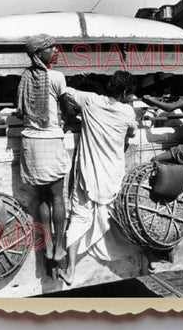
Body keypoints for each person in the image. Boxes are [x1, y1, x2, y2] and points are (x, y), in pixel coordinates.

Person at [59, 71, 137, 285]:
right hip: (112, 178)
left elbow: (63, 92)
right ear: (124, 92)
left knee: (79, 218)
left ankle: (71, 269)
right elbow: (131, 134)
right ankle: (138, 257)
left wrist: (72, 117)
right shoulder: (128, 112)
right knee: (120, 217)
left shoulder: (90, 100)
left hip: (88, 177)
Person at [17, 33, 72, 262]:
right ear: (40, 53)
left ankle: (47, 245)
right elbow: (67, 109)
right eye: (52, 48)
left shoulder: (24, 78)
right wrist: (70, 120)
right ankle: (59, 247)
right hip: (50, 139)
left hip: (30, 142)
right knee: (57, 197)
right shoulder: (57, 77)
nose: (56, 51)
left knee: (41, 198)